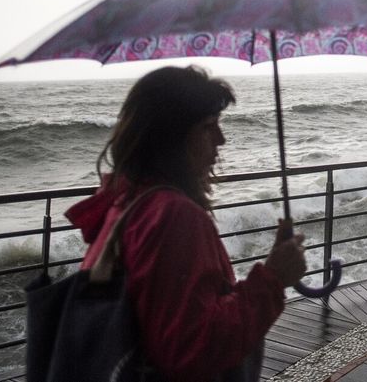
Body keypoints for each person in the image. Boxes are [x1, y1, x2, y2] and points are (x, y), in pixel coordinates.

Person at [65, 66, 307, 381]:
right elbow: (192, 349)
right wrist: (273, 279)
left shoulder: (126, 203)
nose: (221, 139)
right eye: (209, 126)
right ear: (170, 138)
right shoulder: (173, 216)